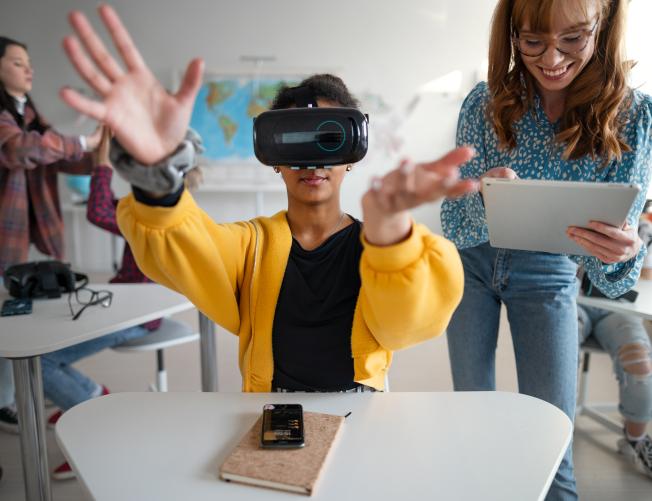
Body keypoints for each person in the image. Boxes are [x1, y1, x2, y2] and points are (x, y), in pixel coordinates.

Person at [59, 5, 475, 396]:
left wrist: (390, 235)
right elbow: (183, 246)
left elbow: (411, 324)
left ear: (351, 154)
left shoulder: (379, 247)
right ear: (275, 158)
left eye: (329, 139)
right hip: (269, 410)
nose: (312, 160)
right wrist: (157, 176)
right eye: (295, 140)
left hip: (363, 410)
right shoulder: (249, 248)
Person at [440, 1, 652, 500]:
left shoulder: (633, 115)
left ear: (603, 26)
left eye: (573, 39)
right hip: (469, 266)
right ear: (511, 34)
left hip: (551, 272)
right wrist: (482, 194)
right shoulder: (484, 100)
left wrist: (622, 253)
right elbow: (452, 221)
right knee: (471, 426)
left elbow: (615, 277)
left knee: (554, 444)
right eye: (533, 41)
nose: (551, 58)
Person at [40, 127, 202, 480]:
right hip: (125, 302)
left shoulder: (153, 217)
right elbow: (103, 209)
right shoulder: (151, 207)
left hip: (138, 314)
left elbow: (98, 211)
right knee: (47, 333)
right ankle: (81, 397)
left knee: (41, 361)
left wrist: (102, 160)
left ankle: (94, 412)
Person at [0, 36, 100, 432]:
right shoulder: (9, 121)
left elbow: (56, 157)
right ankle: (6, 402)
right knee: (6, 323)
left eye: (28, 62)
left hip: (23, 232)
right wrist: (81, 141)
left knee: (17, 317)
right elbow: (19, 150)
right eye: (17, 62)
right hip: (6, 234)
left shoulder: (28, 113)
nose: (29, 69)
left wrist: (100, 152)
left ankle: (17, 391)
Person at [577, 302, 652, 479]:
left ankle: (636, 439)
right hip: (569, 295)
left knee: (639, 364)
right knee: (560, 352)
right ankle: (554, 437)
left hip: (618, 304)